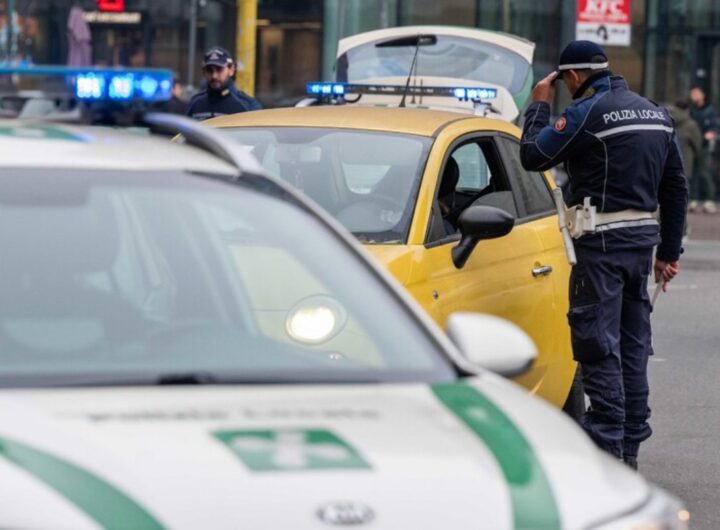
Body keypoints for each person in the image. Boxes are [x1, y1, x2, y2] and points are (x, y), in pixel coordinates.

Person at [519, 40, 688, 470]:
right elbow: (676, 189)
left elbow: (532, 155)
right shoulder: (655, 113)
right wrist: (668, 253)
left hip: (600, 246)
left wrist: (539, 105)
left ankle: (607, 455)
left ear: (571, 77)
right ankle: (629, 451)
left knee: (599, 347)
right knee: (634, 348)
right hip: (641, 245)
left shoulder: (584, 114)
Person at [187, 46, 261, 121]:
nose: (214, 76)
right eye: (210, 70)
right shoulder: (196, 103)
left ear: (231, 70)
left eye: (219, 70)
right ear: (204, 72)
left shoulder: (248, 106)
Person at [688, 86, 717, 213]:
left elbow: (714, 126)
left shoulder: (709, 110)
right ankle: (693, 199)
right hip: (692, 145)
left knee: (704, 172)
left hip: (703, 146)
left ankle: (709, 200)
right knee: (692, 173)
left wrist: (711, 133)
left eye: (696, 93)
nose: (693, 96)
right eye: (692, 93)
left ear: (703, 95)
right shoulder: (691, 110)